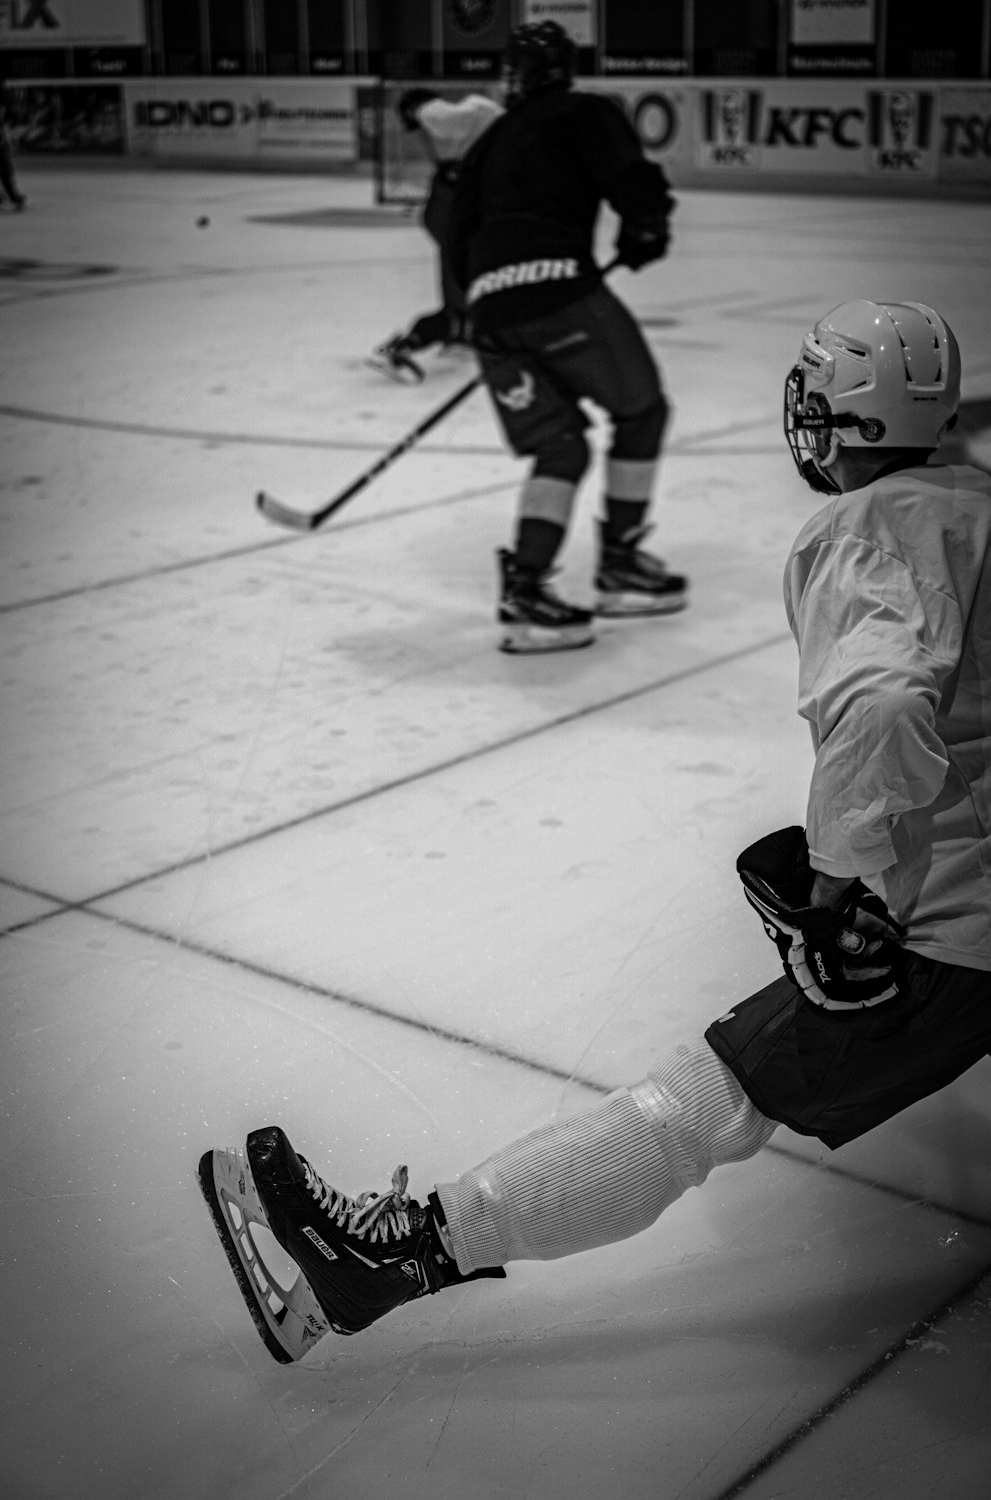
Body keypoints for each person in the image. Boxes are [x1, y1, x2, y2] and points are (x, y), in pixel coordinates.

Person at [199, 298, 991, 1363]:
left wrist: (840, 889)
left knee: (699, 1106)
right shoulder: (974, 504)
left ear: (840, 417)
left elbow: (887, 704)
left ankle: (392, 1257)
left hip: (952, 935)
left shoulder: (870, 534)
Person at [441, 20, 686, 653]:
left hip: (491, 311)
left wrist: (473, 310)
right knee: (641, 412)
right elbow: (630, 176)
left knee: (560, 450)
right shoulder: (584, 112)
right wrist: (645, 228)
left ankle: (525, 594)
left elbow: (450, 226)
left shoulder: (490, 139)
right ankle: (620, 564)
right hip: (560, 293)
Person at [368, 87, 503, 383]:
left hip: (454, 211)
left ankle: (454, 333)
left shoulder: (474, 113)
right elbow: (443, 116)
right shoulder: (473, 114)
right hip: (454, 211)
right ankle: (412, 342)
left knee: (468, 295)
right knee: (462, 301)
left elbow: (445, 118)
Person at [0, 63, 25, 211]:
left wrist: (1, 118)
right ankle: (0, 194)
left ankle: (10, 194)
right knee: (2, 160)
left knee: (2, 161)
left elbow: (1, 98)